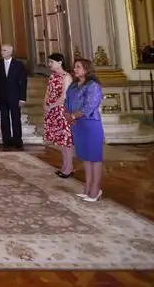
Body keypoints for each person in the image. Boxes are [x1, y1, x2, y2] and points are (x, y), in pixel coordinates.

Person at [65, 58, 105, 202]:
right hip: (77, 124)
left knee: (94, 157)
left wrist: (74, 115)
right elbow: (66, 101)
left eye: (78, 67)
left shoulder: (93, 85)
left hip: (90, 123)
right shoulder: (73, 85)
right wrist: (67, 114)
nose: (74, 69)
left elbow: (90, 106)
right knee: (85, 157)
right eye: (74, 67)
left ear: (86, 69)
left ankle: (96, 189)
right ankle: (87, 187)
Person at [42, 53, 74, 177]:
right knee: (61, 141)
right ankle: (65, 166)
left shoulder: (66, 77)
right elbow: (47, 92)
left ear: (60, 62)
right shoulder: (52, 76)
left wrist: (51, 106)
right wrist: (45, 104)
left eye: (51, 62)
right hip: (52, 110)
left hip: (62, 111)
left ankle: (69, 167)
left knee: (66, 140)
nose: (49, 64)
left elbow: (64, 96)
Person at [0, 44, 28, 150]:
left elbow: (23, 82)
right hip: (2, 96)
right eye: (2, 50)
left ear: (10, 52)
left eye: (4, 50)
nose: (2, 52)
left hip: (15, 96)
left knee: (15, 118)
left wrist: (22, 98)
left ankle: (17, 141)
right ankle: (6, 140)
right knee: (4, 118)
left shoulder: (18, 64)